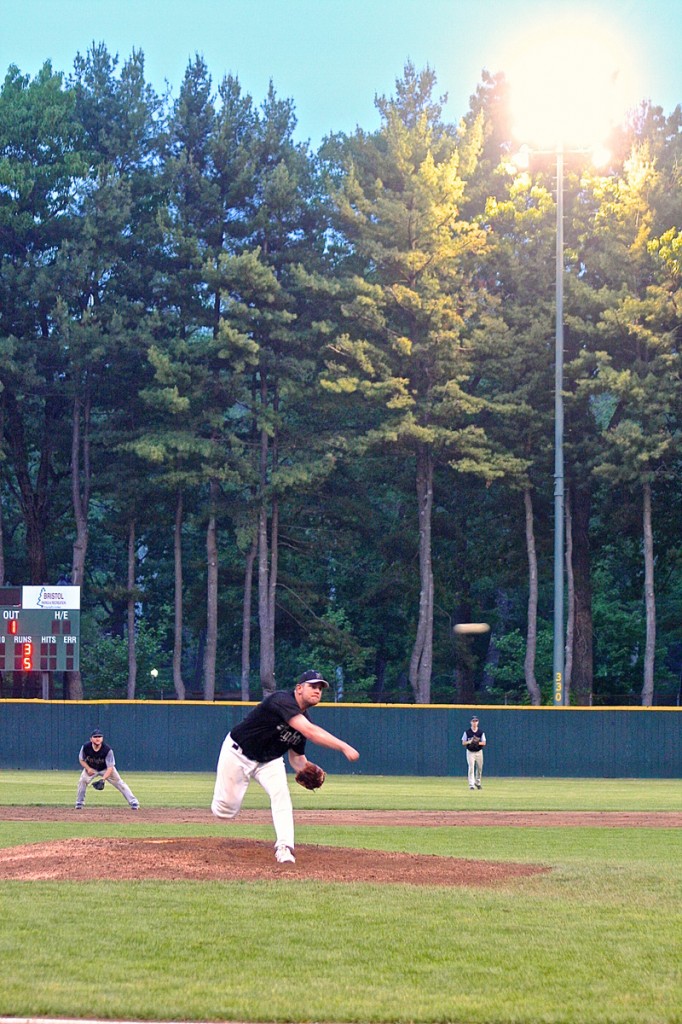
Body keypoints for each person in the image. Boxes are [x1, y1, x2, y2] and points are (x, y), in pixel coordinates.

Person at [211, 669, 360, 864]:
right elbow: (310, 732)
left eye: (320, 688)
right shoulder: (281, 700)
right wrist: (344, 746)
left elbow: (297, 759)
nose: (317, 691)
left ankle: (285, 848)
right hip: (238, 753)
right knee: (225, 811)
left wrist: (307, 769)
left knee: (281, 796)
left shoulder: (304, 722)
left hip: (269, 761)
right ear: (299, 688)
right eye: (313, 686)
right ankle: (221, 804)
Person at [75, 728, 140, 809]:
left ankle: (134, 802)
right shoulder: (86, 747)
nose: (97, 738)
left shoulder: (107, 750)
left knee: (120, 783)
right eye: (95, 737)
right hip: (91, 768)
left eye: (99, 736)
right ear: (91, 739)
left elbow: (110, 767)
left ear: (102, 739)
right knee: (82, 781)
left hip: (105, 768)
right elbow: (81, 759)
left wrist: (103, 779)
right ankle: (79, 803)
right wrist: (88, 768)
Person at [462, 715, 486, 790]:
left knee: (479, 768)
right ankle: (471, 785)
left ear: (478, 722)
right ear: (471, 722)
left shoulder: (481, 732)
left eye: (476, 721)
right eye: (473, 721)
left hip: (479, 752)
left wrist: (477, 742)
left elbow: (484, 743)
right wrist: (470, 741)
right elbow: (463, 743)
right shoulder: (467, 732)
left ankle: (478, 783)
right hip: (470, 752)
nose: (474, 723)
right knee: (471, 767)